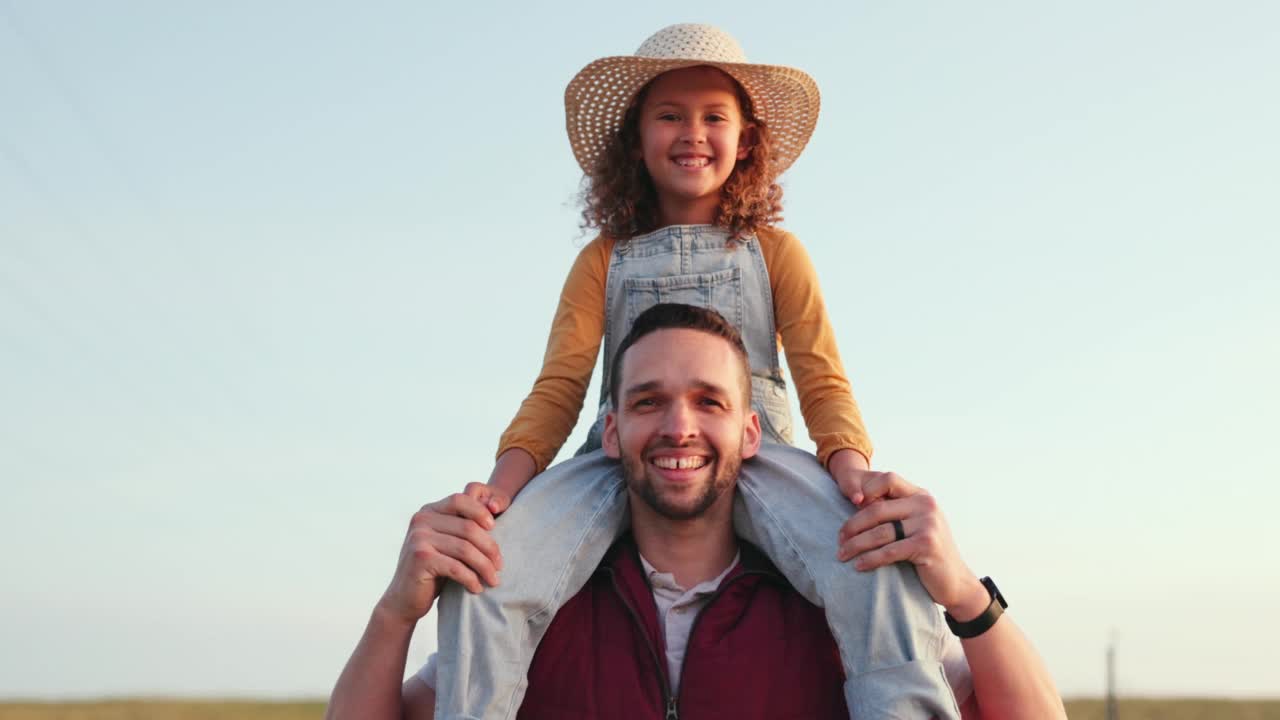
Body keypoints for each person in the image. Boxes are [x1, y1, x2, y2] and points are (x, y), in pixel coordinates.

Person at [436, 22, 963, 720]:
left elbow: (821, 374)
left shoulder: (775, 252)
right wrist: (501, 492)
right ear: (637, 139)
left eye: (715, 116)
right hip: (621, 450)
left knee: (874, 568)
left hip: (759, 450)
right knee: (487, 576)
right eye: (669, 116)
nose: (693, 133)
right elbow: (560, 383)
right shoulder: (604, 258)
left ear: (745, 141)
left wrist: (851, 471)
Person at [325, 304, 1067, 719]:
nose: (679, 427)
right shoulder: (531, 613)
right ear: (610, 432)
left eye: (709, 401)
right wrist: (395, 613)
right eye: (648, 401)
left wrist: (965, 593)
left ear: (753, 435)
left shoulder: (844, 601)